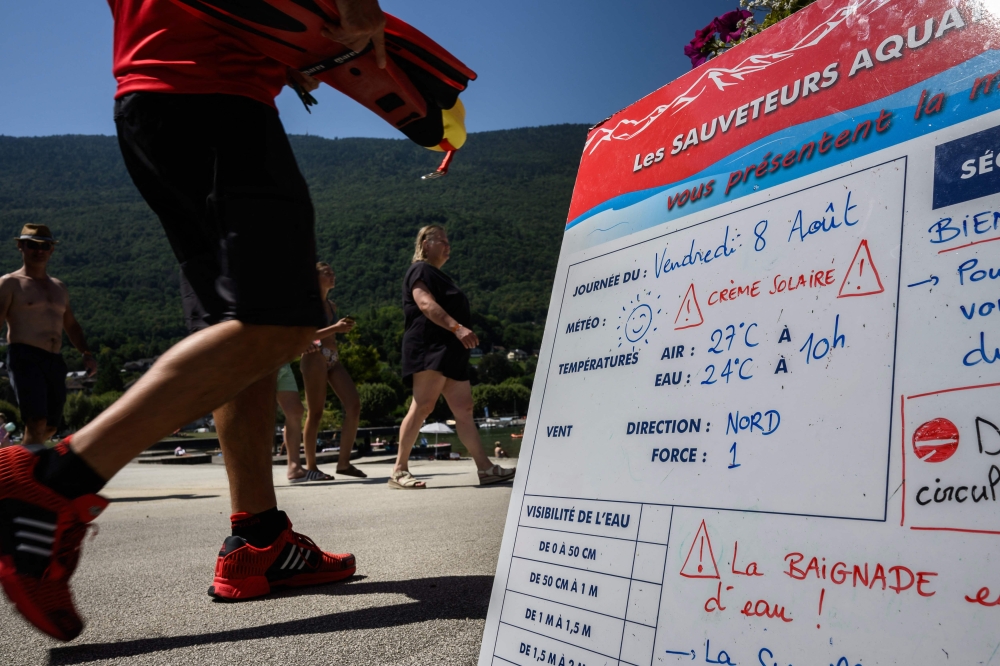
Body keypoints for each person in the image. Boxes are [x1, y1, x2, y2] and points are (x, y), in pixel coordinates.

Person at [0, 0, 387, 641]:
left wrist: (279, 40)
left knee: (236, 330)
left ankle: (257, 537)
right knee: (286, 322)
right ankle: (50, 481)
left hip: (155, 96)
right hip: (215, 97)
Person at [391, 225, 515, 489]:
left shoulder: (440, 276)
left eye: (449, 241)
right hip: (429, 346)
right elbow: (424, 304)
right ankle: (399, 470)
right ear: (425, 244)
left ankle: (485, 468)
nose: (448, 245)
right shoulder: (420, 270)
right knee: (423, 405)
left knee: (465, 409)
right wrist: (457, 328)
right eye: (442, 241)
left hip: (450, 351)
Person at [0, 225, 98, 445]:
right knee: (36, 421)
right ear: (20, 246)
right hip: (24, 355)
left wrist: (86, 353)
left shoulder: (58, 287)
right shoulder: (10, 283)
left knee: (50, 427)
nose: (39, 250)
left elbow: (71, 325)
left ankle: (13, 464)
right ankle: (21, 474)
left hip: (54, 360)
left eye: (45, 246)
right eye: (32, 245)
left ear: (52, 249)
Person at [300, 263, 367, 481]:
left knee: (354, 405)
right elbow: (305, 334)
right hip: (314, 357)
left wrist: (340, 329)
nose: (332, 275)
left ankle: (344, 463)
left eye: (333, 272)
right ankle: (311, 467)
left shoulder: (331, 305)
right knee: (315, 412)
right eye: (326, 273)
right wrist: (336, 328)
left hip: (333, 358)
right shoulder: (310, 304)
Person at [275, 362, 308, 481]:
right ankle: (253, 470)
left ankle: (294, 467)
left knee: (295, 411)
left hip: (283, 362)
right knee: (260, 411)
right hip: (263, 358)